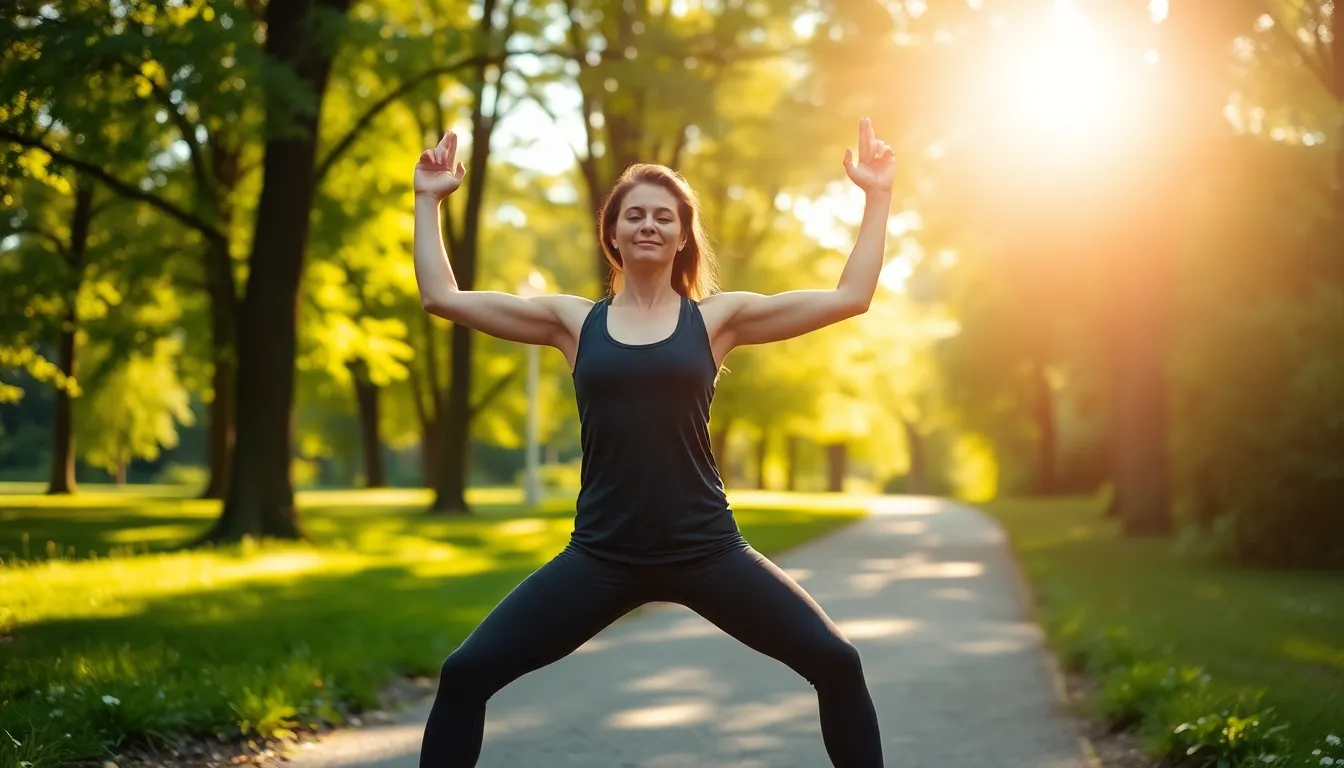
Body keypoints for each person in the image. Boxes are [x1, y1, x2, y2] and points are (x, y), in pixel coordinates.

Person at [411, 118, 896, 768]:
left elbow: (851, 296)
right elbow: (443, 297)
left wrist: (877, 196)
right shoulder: (572, 322)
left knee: (837, 662)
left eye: (663, 216)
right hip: (602, 557)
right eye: (633, 214)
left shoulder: (718, 320)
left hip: (706, 549)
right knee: (465, 673)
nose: (648, 224)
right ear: (611, 233)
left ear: (682, 235)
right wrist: (427, 200)